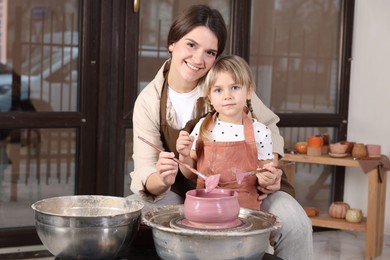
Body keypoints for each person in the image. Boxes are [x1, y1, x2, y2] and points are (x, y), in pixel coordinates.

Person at [129, 4, 313, 259]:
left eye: (210, 52)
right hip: (183, 191)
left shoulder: (226, 84)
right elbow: (144, 170)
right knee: (133, 217)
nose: (198, 59)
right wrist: (162, 178)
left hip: (248, 188)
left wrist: (270, 170)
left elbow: (269, 127)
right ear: (172, 42)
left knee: (295, 222)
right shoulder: (149, 100)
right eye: (191, 45)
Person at [176, 54, 277, 210]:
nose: (227, 96)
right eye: (218, 90)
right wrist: (184, 153)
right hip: (206, 209)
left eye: (235, 88)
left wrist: (267, 179)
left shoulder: (260, 132)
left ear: (249, 91)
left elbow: (265, 175)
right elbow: (190, 173)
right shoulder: (202, 127)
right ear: (209, 97)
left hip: (244, 212)